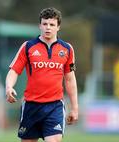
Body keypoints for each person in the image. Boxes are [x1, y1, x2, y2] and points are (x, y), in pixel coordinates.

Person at [5, 7, 78, 142]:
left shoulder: (67, 49)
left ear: (58, 27)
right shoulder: (28, 46)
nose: (48, 28)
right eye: (45, 24)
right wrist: (9, 87)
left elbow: (70, 79)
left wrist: (75, 108)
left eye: (52, 24)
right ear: (40, 25)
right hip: (31, 106)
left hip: (54, 106)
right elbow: (14, 70)